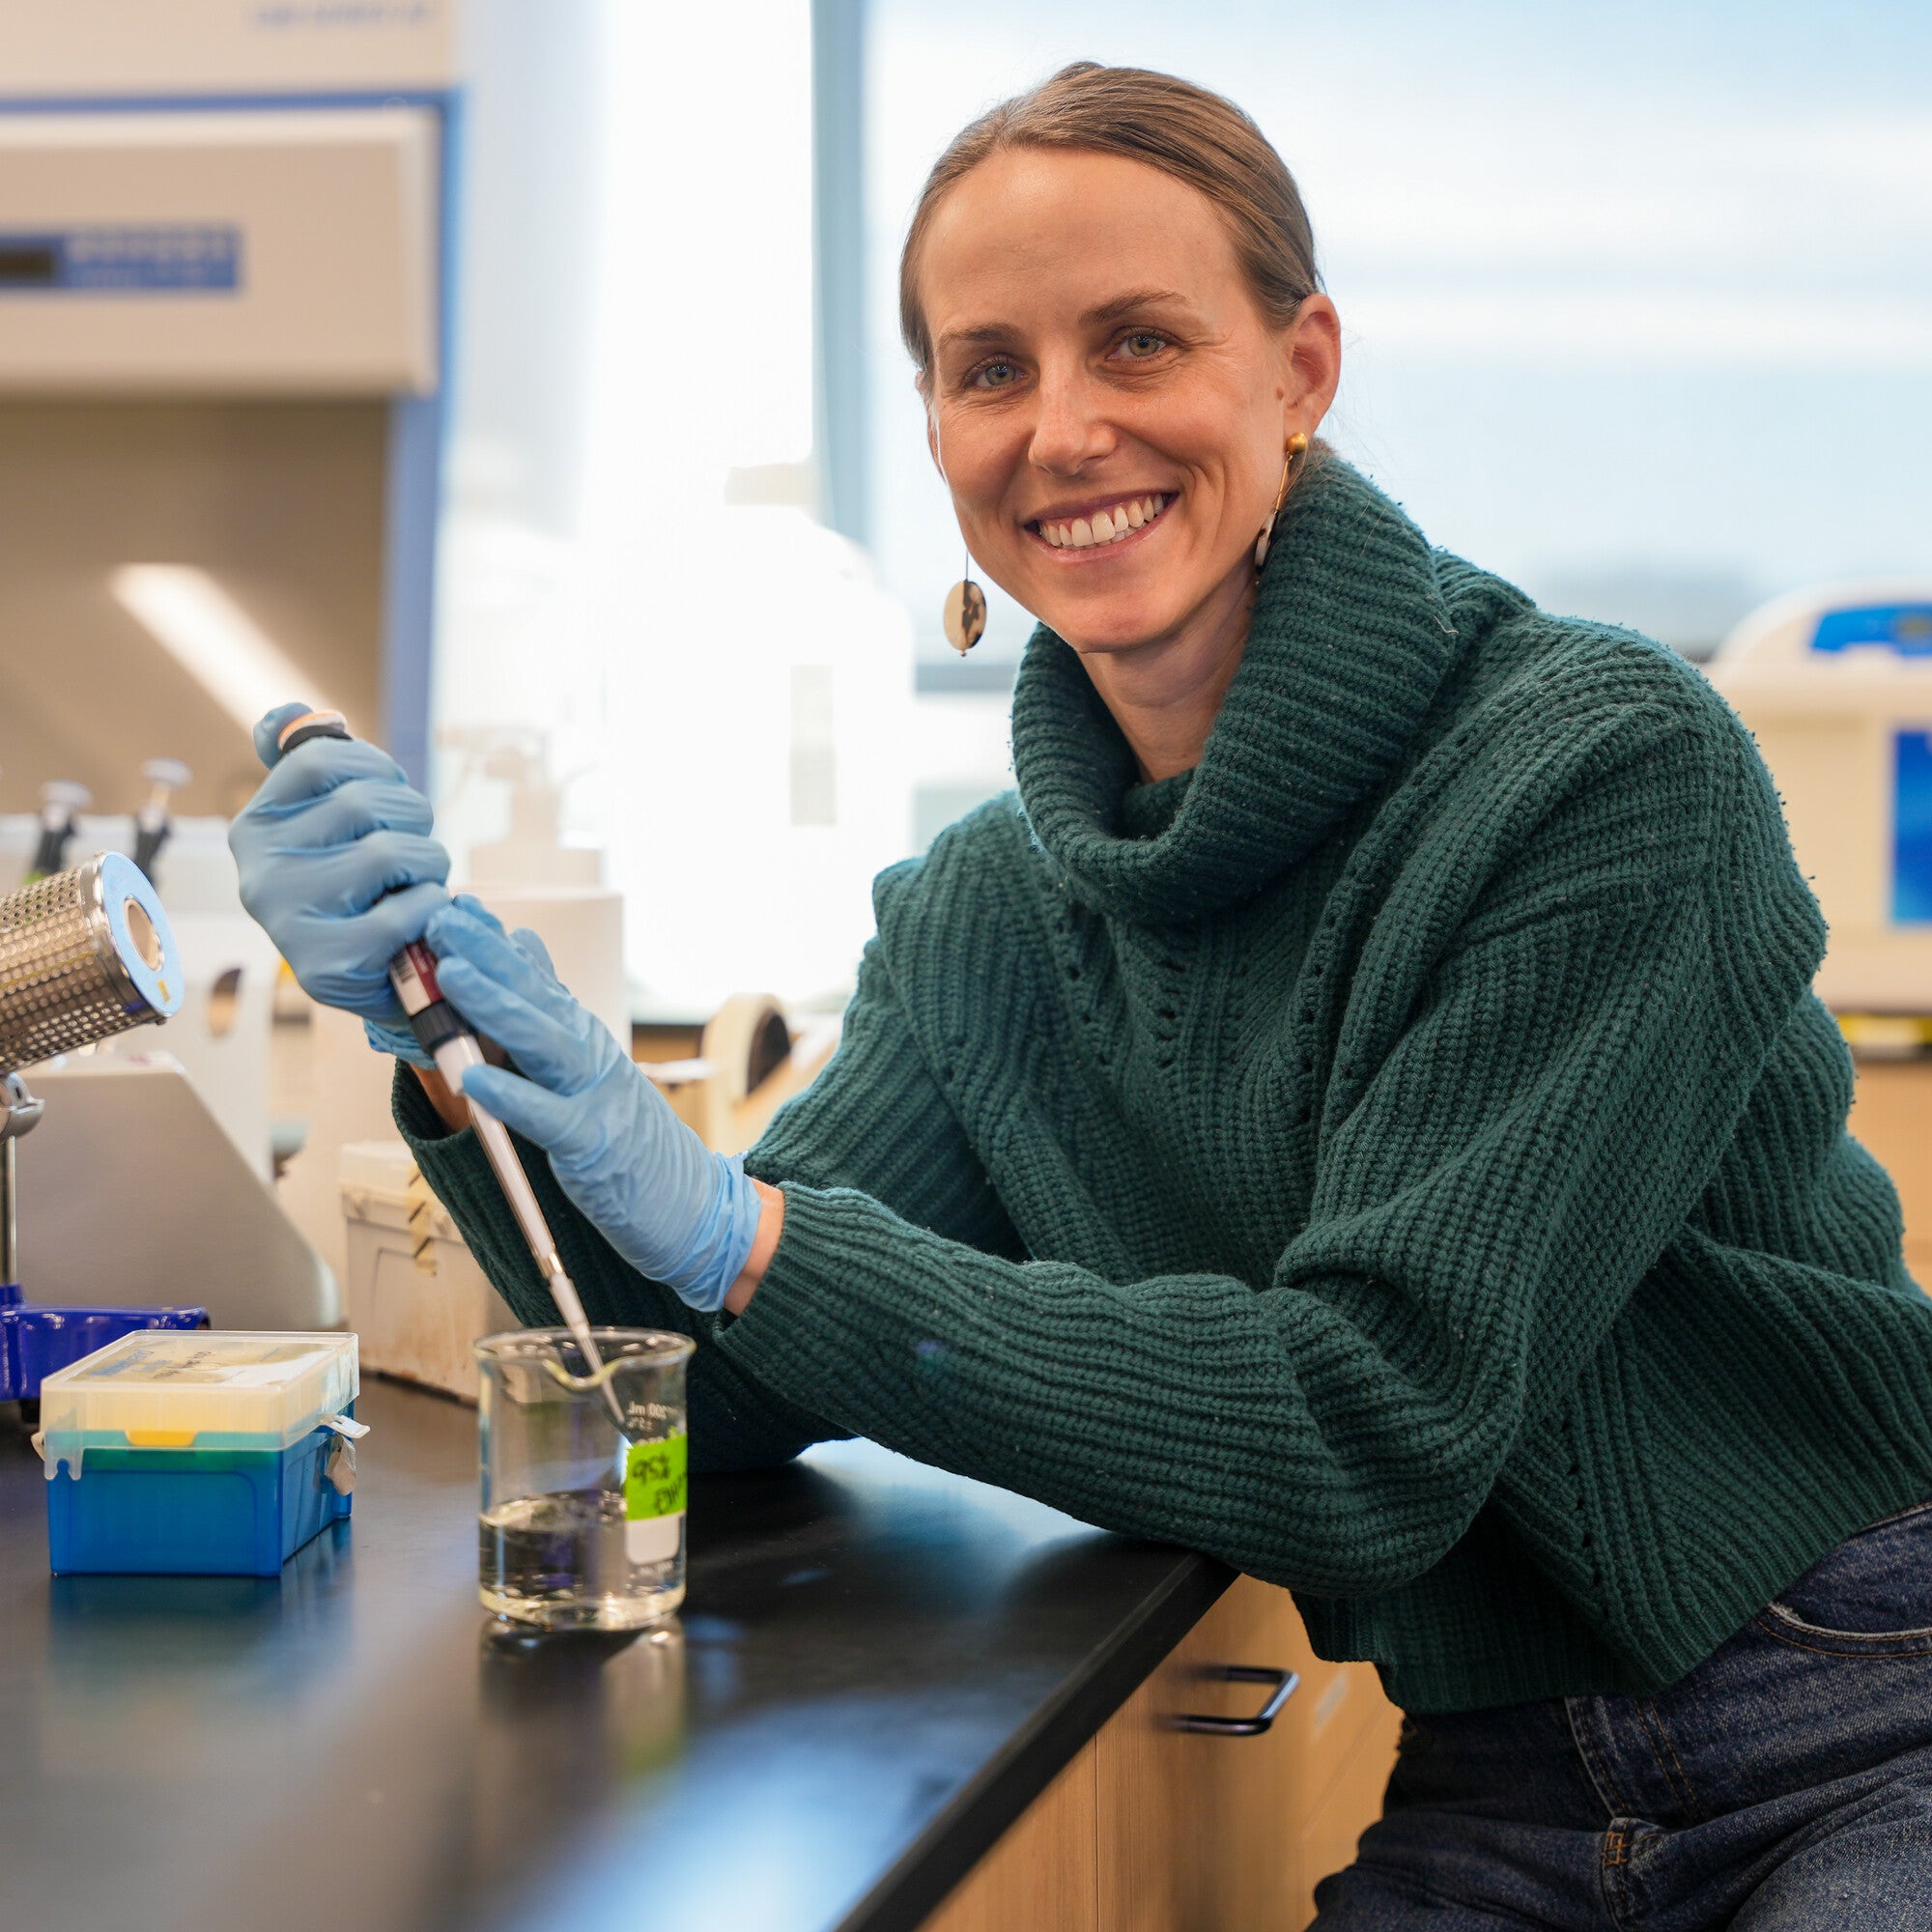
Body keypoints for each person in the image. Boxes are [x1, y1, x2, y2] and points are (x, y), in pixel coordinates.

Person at [231, 62, 1932, 1928]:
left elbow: (1373, 1432)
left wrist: (747, 1228)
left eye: (1139, 342)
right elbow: (699, 1401)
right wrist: (453, 1052)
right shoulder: (988, 915)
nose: (1062, 430)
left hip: (1860, 1712)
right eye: (988, 368)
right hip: (1504, 1775)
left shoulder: (1595, 772)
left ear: (1300, 371)